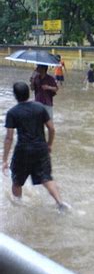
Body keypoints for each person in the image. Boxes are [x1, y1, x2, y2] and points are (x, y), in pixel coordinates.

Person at [2, 82, 69, 210]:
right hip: (41, 148)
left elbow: (9, 138)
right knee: (46, 178)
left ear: (15, 96)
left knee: (17, 182)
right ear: (28, 93)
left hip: (23, 151)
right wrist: (49, 145)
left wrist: (5, 160)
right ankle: (60, 203)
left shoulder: (12, 113)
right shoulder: (40, 107)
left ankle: (18, 206)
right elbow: (51, 128)